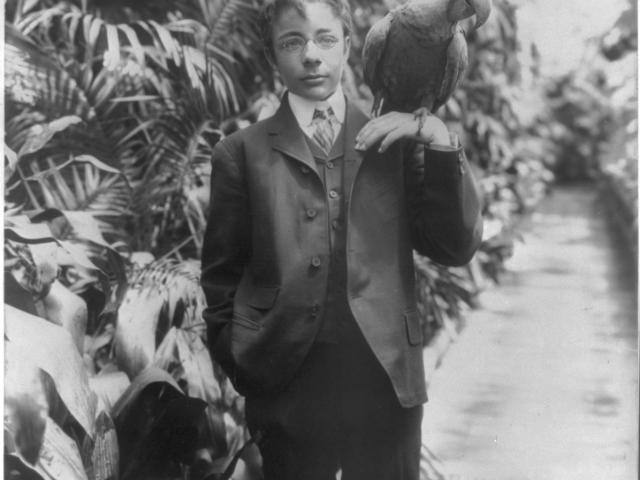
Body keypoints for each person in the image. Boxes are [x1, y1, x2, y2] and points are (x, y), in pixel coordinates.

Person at [200, 0, 483, 478]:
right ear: (274, 56)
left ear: (349, 47)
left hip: (384, 391)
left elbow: (455, 246)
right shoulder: (240, 154)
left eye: (325, 39)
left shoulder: (397, 138)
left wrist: (434, 135)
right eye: (292, 42)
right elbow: (220, 281)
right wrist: (247, 366)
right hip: (286, 393)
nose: (311, 55)